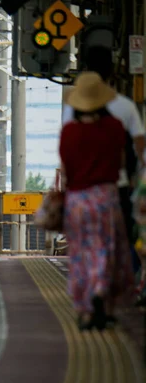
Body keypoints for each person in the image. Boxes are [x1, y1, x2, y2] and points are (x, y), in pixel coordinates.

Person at [60, 72, 134, 330]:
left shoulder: (69, 132)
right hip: (106, 198)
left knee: (81, 253)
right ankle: (102, 290)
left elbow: (67, 169)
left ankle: (85, 310)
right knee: (106, 250)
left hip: (78, 201)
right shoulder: (114, 128)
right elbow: (123, 162)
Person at [62, 45, 145, 275]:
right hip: (116, 188)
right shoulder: (125, 107)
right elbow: (140, 147)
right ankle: (126, 280)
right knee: (124, 237)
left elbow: (67, 152)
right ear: (112, 71)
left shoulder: (72, 110)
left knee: (84, 243)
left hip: (81, 190)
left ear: (86, 70)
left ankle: (90, 289)